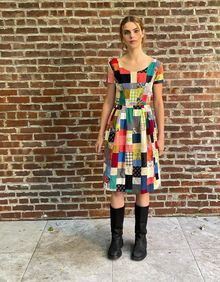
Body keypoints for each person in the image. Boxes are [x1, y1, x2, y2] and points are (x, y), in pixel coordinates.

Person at [95, 15, 165, 261]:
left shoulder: (155, 65)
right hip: (120, 126)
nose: (132, 36)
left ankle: (140, 239)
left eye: (136, 30)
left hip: (144, 128)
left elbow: (158, 102)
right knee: (117, 184)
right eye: (127, 32)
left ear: (143, 33)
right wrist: (101, 133)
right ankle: (115, 239)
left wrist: (162, 136)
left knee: (141, 185)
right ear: (122, 36)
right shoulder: (114, 64)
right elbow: (107, 101)